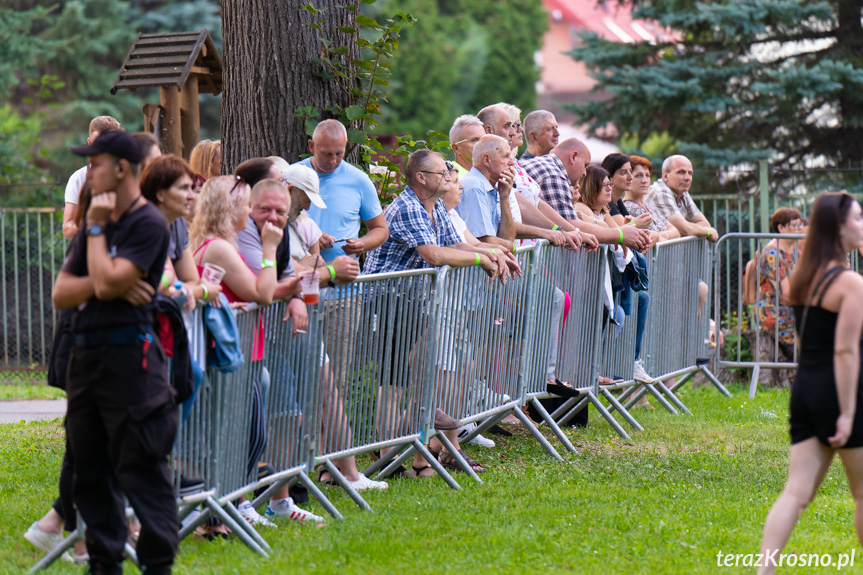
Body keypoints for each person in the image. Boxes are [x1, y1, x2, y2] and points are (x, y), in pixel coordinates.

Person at [53, 129, 176, 575]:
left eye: (96, 164)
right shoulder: (95, 220)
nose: (89, 173)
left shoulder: (147, 222)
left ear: (121, 169)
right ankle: (104, 566)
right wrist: (111, 281)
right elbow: (63, 292)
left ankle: (156, 566)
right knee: (91, 474)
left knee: (141, 469)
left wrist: (101, 243)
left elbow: (103, 283)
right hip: (84, 360)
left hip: (130, 361)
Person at [365, 149, 512, 476]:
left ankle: (416, 450)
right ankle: (389, 460)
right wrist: (481, 260)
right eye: (441, 173)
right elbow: (433, 254)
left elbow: (456, 245)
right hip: (387, 300)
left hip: (413, 301)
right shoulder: (409, 207)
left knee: (417, 380)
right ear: (421, 178)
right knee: (393, 383)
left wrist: (494, 253)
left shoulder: (434, 208)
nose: (448, 177)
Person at [758, 192, 863, 575]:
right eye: (859, 218)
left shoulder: (804, 278)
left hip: (805, 390)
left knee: (796, 493)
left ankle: (763, 571)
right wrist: (848, 412)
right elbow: (846, 352)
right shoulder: (851, 284)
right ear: (838, 228)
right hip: (841, 391)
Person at [521, 138, 650, 251]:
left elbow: (559, 223)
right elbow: (570, 224)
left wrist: (581, 233)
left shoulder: (547, 166)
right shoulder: (553, 174)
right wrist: (620, 235)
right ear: (573, 157)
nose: (584, 173)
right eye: (585, 165)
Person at [756, 208, 803, 389]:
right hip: (775, 313)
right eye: (794, 226)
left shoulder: (795, 251)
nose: (799, 229)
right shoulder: (772, 253)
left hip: (791, 309)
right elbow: (787, 294)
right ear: (781, 228)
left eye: (800, 225)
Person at [62, 115, 121, 240]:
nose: (103, 149)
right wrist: (94, 223)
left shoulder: (127, 177)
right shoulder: (79, 178)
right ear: (89, 143)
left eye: (109, 143)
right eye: (98, 143)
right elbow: (67, 230)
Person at [645, 154, 718, 242]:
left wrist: (691, 228)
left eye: (690, 173)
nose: (687, 178)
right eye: (681, 172)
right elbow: (684, 229)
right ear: (665, 176)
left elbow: (704, 223)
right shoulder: (660, 192)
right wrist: (708, 232)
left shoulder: (683, 193)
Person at [623, 155, 680, 246]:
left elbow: (676, 231)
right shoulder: (628, 208)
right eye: (638, 175)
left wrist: (660, 235)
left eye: (647, 175)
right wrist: (666, 236)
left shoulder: (649, 206)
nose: (644, 180)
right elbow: (651, 238)